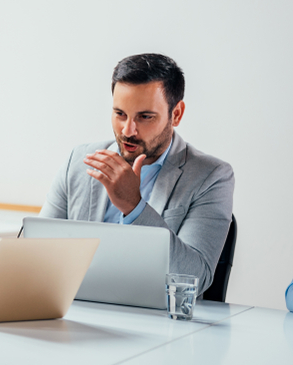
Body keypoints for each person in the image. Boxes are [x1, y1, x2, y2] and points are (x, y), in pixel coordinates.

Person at [40, 53, 234, 295]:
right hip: (79, 312)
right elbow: (36, 252)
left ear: (176, 114)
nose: (127, 130)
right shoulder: (79, 161)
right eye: (120, 114)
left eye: (145, 117)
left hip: (157, 324)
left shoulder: (211, 176)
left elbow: (195, 277)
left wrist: (134, 207)